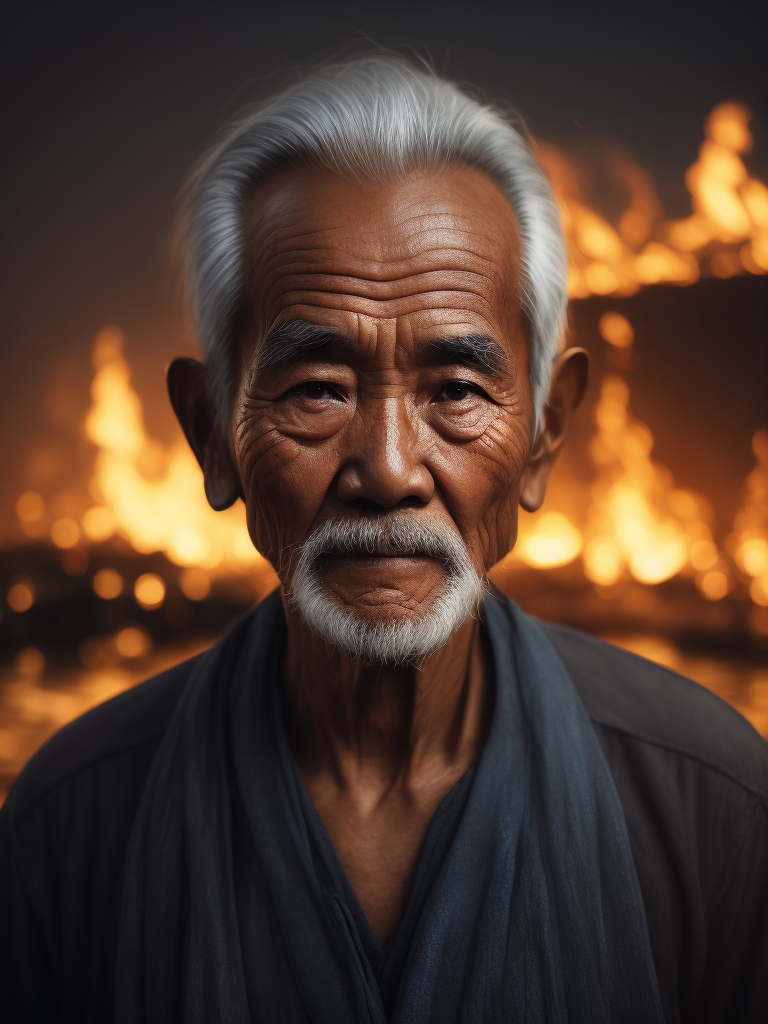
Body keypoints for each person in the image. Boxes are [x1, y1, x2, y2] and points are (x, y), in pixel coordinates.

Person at [1, 55, 767, 1024]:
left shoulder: (711, 807)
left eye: (455, 391)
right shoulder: (72, 823)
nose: (390, 467)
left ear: (543, 439)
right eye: (319, 389)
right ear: (211, 435)